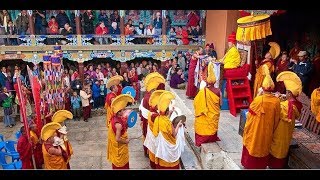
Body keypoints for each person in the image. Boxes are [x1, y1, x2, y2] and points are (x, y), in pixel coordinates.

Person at [241, 65, 280, 169]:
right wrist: (272, 129)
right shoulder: (276, 101)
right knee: (263, 147)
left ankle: (249, 165)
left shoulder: (258, 100)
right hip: (267, 131)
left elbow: (250, 114)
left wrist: (259, 95)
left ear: (263, 88)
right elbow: (276, 119)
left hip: (255, 130)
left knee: (252, 145)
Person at [268, 71, 303, 169]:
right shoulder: (294, 103)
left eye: (287, 92)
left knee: (278, 147)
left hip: (281, 129)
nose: (285, 94)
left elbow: (278, 109)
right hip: (287, 130)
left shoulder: (288, 105)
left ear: (290, 93)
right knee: (282, 145)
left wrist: (276, 99)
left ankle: (275, 166)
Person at [152, 91, 184, 169]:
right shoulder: (168, 123)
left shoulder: (157, 119)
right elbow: (174, 134)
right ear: (166, 111)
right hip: (168, 151)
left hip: (161, 152)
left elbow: (163, 125)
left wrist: (169, 114)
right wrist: (178, 125)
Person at [194, 62, 222, 146]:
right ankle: (212, 137)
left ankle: (203, 139)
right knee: (212, 122)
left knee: (201, 120)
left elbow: (196, 102)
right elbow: (220, 103)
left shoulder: (203, 91)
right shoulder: (218, 91)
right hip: (214, 115)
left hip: (205, 116)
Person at [107, 94, 134, 169]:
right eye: (123, 110)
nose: (124, 111)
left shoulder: (115, 118)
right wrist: (126, 141)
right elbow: (117, 139)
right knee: (121, 166)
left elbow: (123, 128)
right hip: (120, 149)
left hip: (118, 149)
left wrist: (126, 125)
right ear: (119, 112)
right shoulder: (118, 124)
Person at [143, 90, 164, 169]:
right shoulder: (155, 115)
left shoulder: (151, 112)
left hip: (151, 136)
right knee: (154, 153)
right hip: (154, 137)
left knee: (152, 151)